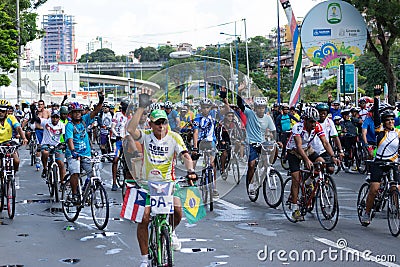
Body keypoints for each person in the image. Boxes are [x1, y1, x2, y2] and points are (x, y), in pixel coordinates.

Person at [126, 92, 197, 267]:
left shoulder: (174, 137)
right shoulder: (146, 135)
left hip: (168, 185)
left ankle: (170, 232)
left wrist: (190, 171)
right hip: (147, 185)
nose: (161, 125)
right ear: (151, 123)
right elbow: (130, 130)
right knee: (143, 218)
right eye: (157, 122)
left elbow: (186, 156)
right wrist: (141, 107)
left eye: (163, 121)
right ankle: (144, 258)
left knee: (178, 211)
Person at [286, 107, 339, 221]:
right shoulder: (298, 127)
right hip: (294, 151)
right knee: (296, 179)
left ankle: (309, 181)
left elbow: (325, 142)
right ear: (305, 120)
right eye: (311, 121)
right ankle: (295, 209)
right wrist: (306, 160)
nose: (314, 124)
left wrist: (333, 156)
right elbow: (299, 146)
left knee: (323, 163)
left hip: (307, 149)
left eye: (316, 121)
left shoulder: (317, 126)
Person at [361, 86, 400, 225]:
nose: (390, 122)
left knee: (396, 187)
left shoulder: (398, 133)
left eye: (392, 120)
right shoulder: (380, 131)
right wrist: (376, 98)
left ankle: (397, 209)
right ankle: (367, 212)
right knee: (374, 189)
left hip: (393, 163)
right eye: (388, 120)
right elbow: (376, 115)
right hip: (379, 163)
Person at [64, 92, 104, 203]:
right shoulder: (69, 125)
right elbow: (69, 140)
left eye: (79, 112)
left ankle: (88, 191)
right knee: (75, 172)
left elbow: (95, 111)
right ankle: (75, 193)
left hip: (86, 153)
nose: (77, 114)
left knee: (94, 173)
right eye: (74, 112)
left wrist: (101, 100)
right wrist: (73, 151)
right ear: (70, 114)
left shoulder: (84, 120)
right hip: (74, 154)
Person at [191, 98, 219, 197]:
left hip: (211, 142)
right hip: (200, 142)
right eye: (203, 108)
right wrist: (195, 147)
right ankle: (192, 179)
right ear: (201, 108)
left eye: (207, 108)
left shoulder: (213, 118)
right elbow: (195, 132)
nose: (205, 110)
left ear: (210, 108)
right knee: (193, 158)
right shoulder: (197, 119)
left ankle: (214, 187)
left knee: (212, 164)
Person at [31, 108, 66, 181]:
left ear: (59, 118)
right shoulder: (46, 122)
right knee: (45, 153)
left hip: (57, 145)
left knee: (61, 164)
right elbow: (36, 119)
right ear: (51, 117)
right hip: (46, 144)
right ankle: (45, 168)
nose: (55, 119)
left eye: (57, 117)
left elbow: (65, 136)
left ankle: (62, 182)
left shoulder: (62, 125)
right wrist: (32, 109)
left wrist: (64, 144)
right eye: (53, 117)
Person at [0, 100, 28, 177]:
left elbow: (18, 128)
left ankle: (12, 174)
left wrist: (24, 138)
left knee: (16, 161)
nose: (0, 113)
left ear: (6, 112)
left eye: (2, 111)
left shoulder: (11, 118)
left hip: (8, 143)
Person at [315, 103, 344, 173]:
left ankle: (326, 182)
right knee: (317, 170)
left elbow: (335, 137)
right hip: (313, 150)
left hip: (325, 149)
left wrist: (340, 151)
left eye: (324, 113)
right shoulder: (313, 122)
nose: (322, 115)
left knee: (331, 169)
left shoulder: (329, 122)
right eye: (320, 113)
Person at [110, 100, 128, 191]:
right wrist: (117, 135)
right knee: (115, 160)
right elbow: (112, 127)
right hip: (118, 141)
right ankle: (114, 182)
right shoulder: (117, 115)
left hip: (128, 141)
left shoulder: (131, 116)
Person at [34, 100, 51, 171]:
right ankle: (38, 161)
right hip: (38, 130)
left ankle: (47, 158)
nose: (40, 106)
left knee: (47, 146)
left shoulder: (47, 112)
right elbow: (33, 119)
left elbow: (51, 120)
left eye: (41, 104)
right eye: (39, 105)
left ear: (44, 105)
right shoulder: (36, 112)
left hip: (45, 131)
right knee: (39, 146)